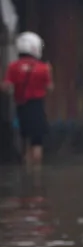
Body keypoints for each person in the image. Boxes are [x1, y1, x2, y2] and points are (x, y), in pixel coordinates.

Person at [1, 32, 52, 165]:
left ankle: (26, 170)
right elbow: (50, 87)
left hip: (21, 106)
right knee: (37, 142)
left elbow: (6, 86)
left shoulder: (13, 67)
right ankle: (36, 175)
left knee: (25, 140)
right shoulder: (43, 68)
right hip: (37, 106)